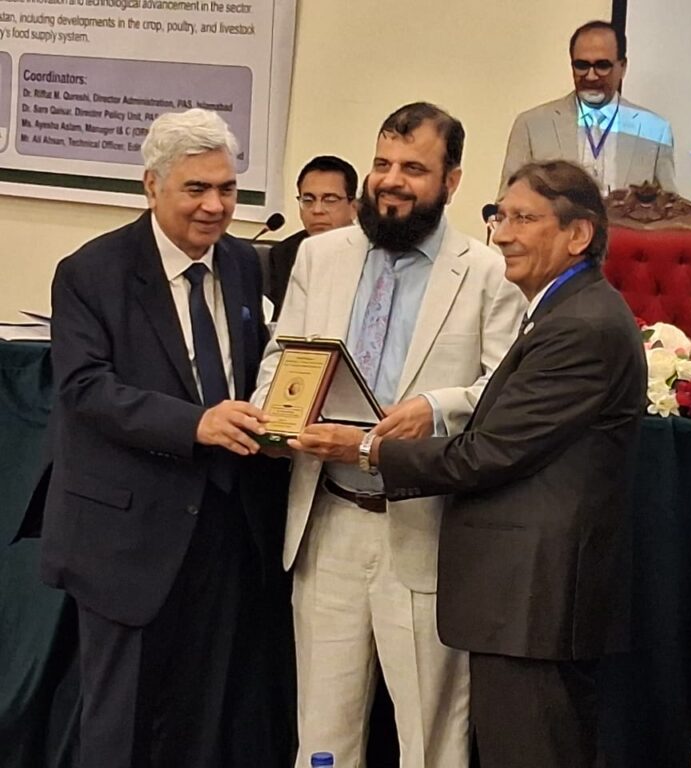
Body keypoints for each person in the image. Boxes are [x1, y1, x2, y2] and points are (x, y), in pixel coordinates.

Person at [292, 159, 647, 768]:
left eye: (523, 219)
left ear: (578, 235)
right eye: (499, 217)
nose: (502, 234)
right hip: (522, 602)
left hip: (536, 603)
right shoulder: (562, 310)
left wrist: (364, 449)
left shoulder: (582, 325)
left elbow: (488, 452)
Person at [252, 102, 524, 768]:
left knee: (431, 743)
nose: (391, 180)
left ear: (451, 181)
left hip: (424, 531)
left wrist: (433, 407)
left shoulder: (487, 272)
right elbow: (281, 362)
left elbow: (501, 392)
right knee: (322, 736)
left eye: (413, 168)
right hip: (328, 520)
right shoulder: (319, 257)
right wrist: (272, 419)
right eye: (382, 163)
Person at [40, 109, 277, 767]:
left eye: (226, 188)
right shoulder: (92, 271)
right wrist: (193, 424)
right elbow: (85, 388)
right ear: (152, 185)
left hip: (226, 529)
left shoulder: (243, 263)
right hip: (128, 537)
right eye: (196, 189)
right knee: (123, 727)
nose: (215, 206)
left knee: (203, 719)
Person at [498, 20, 678, 195]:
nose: (591, 76)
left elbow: (670, 207)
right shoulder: (532, 125)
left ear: (623, 67)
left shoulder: (654, 131)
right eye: (582, 66)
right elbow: (507, 202)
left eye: (602, 66)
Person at [268, 155, 359, 320]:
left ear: (354, 207)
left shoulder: (368, 253)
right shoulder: (283, 254)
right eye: (308, 200)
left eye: (330, 200)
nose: (317, 210)